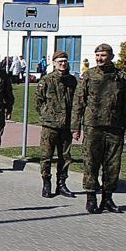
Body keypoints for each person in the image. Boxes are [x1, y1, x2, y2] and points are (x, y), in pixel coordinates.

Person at [71, 43, 126, 214]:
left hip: (115, 127)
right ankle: (91, 197)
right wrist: (75, 127)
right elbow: (79, 102)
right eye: (97, 55)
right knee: (91, 162)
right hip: (93, 126)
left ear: (111, 57)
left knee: (112, 165)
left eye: (103, 55)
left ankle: (107, 199)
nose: (99, 58)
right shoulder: (88, 75)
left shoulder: (120, 77)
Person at [35, 51, 77, 198]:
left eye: (65, 61)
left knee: (65, 157)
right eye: (59, 61)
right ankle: (46, 183)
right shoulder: (46, 80)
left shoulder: (72, 81)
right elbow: (38, 101)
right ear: (54, 63)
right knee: (46, 156)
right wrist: (47, 115)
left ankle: (61, 184)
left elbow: (77, 102)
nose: (62, 63)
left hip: (66, 125)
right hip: (50, 125)